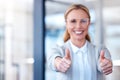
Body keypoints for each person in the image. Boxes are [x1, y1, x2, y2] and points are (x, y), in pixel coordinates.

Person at [48, 4, 113, 80]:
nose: (78, 26)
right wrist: (58, 63)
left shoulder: (100, 50)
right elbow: (53, 60)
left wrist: (104, 66)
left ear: (88, 23)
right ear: (66, 24)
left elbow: (104, 64)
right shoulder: (58, 50)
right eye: (73, 21)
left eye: (83, 21)